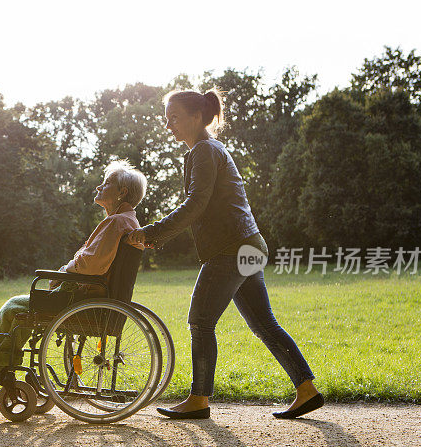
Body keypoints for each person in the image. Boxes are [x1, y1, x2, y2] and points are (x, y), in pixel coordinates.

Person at [128, 88, 323, 420]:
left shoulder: (204, 150)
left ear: (197, 117)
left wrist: (152, 233)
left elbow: (196, 205)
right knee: (264, 323)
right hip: (249, 244)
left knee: (201, 321)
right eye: (166, 119)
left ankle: (199, 399)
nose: (168, 125)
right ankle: (307, 390)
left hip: (230, 249)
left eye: (174, 118)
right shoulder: (209, 149)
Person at [0, 160, 148, 398]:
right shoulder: (127, 222)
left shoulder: (117, 222)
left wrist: (65, 269)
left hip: (80, 299)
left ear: (122, 192)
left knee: (13, 307)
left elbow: (90, 265)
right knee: (19, 313)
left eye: (105, 183)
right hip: (91, 297)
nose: (98, 187)